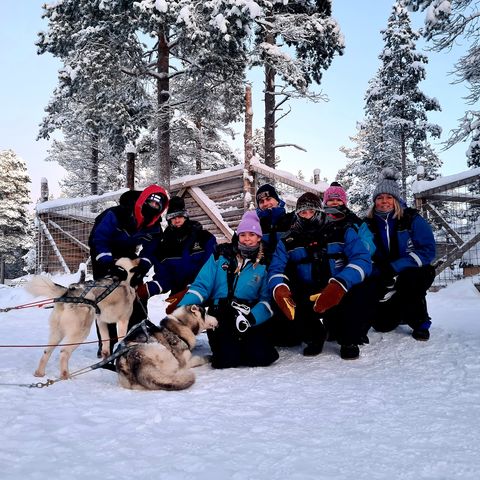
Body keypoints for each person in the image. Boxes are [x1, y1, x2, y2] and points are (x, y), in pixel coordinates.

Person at [268, 192, 372, 360]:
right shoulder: (288, 239)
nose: (307, 216)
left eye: (311, 211)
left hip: (339, 284)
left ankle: (348, 340)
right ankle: (314, 336)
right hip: (309, 288)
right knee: (289, 298)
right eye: (302, 212)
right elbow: (276, 268)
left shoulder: (342, 230)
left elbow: (362, 259)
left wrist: (340, 283)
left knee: (360, 290)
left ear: (320, 211)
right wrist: (279, 287)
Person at [178, 210, 279, 369]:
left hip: (247, 313)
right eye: (243, 234)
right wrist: (183, 308)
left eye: (251, 234)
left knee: (260, 358)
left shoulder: (265, 262)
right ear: (237, 236)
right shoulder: (221, 255)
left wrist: (252, 318)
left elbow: (267, 299)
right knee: (226, 361)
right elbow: (201, 285)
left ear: (259, 237)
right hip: (221, 313)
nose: (247, 239)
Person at [88, 184, 169, 355]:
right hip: (102, 249)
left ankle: (134, 340)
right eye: (151, 202)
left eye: (157, 206)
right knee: (106, 297)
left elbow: (150, 249)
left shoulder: (154, 226)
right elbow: (99, 238)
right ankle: (106, 347)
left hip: (127, 252)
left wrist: (142, 268)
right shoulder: (116, 214)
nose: (153, 208)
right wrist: (109, 265)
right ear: (143, 200)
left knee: (133, 294)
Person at [364, 168, 436, 341]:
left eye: (389, 197)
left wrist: (396, 266)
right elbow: (363, 252)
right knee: (382, 325)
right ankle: (398, 311)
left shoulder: (411, 219)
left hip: (412, 270)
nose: (384, 201)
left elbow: (428, 250)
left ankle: (420, 323)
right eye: (380, 198)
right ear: (374, 202)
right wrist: (378, 271)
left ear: (396, 200)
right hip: (383, 273)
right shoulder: (367, 223)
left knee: (411, 281)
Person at [144, 196, 217, 313]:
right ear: (169, 220)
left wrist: (191, 291)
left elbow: (211, 269)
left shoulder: (204, 238)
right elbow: (164, 277)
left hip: (204, 293)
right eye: (173, 217)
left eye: (180, 216)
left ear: (185, 216)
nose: (177, 220)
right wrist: (148, 289)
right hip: (178, 295)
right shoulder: (164, 245)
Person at [255, 183, 299, 346]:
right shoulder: (256, 224)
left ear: (277, 200)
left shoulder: (291, 220)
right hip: (263, 273)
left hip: (289, 272)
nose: (266, 203)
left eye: (269, 199)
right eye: (262, 201)